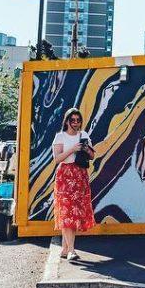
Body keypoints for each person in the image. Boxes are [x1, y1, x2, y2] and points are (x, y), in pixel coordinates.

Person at [53, 108, 96, 261]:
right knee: (66, 212)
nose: (76, 123)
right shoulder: (60, 136)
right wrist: (73, 149)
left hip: (79, 174)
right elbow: (57, 159)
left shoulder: (83, 135)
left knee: (75, 212)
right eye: (73, 120)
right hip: (65, 175)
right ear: (67, 121)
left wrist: (85, 148)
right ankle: (71, 250)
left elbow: (92, 156)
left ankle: (65, 248)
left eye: (78, 120)